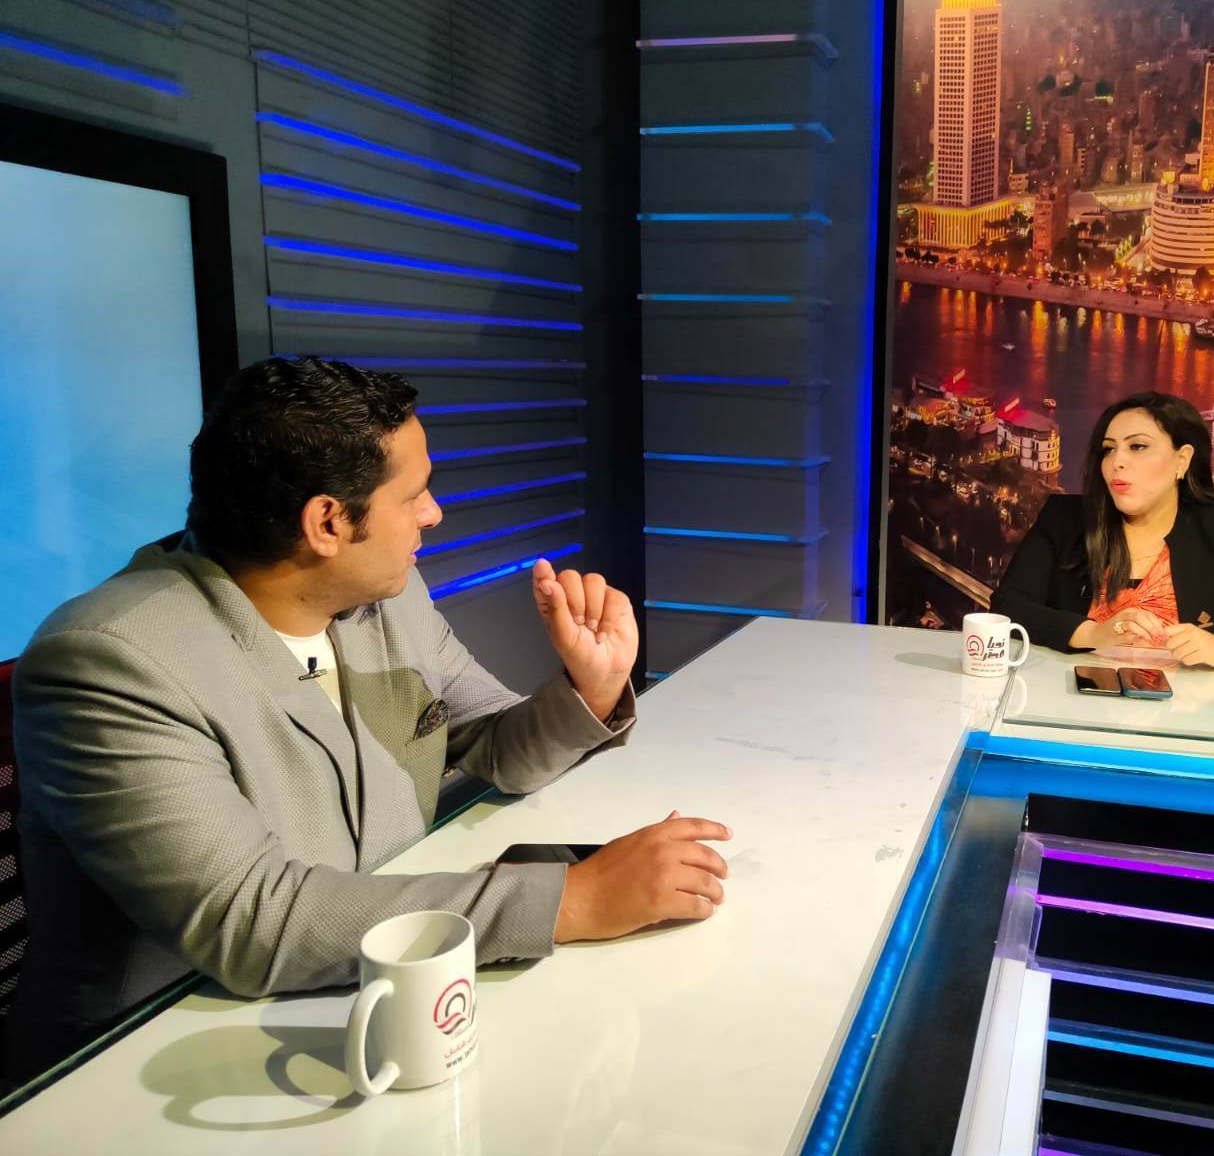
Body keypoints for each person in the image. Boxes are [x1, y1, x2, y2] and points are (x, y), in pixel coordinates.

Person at [3, 357, 730, 1085]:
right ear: (327, 522)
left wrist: (590, 688)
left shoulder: (386, 596)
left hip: (370, 1000)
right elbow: (255, 923)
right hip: (149, 1066)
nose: (433, 514)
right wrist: (575, 900)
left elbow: (493, 745)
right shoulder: (108, 663)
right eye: (414, 495)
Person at [991, 391, 1214, 668]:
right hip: (1071, 707)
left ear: (1182, 460)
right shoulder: (1065, 518)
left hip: (1192, 717)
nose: (1117, 462)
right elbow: (1007, 607)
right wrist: (1092, 634)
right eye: (1109, 450)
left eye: (1138, 446)